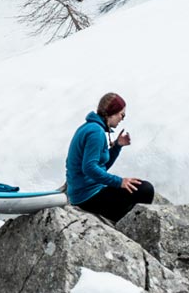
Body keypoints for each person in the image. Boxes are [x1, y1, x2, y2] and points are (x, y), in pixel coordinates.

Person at [66, 92, 156, 222]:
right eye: (121, 114)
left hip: (83, 193)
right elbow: (89, 168)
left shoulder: (90, 128)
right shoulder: (95, 132)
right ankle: (130, 226)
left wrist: (117, 146)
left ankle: (125, 219)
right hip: (88, 197)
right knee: (145, 189)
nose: (122, 118)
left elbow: (100, 168)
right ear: (112, 112)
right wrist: (119, 182)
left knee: (136, 188)